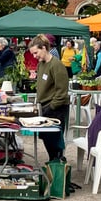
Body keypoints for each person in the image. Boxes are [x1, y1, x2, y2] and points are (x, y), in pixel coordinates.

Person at [29, 33, 69, 161]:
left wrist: (52, 106)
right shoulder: (41, 64)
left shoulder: (56, 65)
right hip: (45, 107)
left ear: (44, 48)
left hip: (55, 109)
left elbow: (62, 91)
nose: (35, 56)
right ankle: (53, 165)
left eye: (36, 53)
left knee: (55, 143)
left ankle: (58, 168)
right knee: (46, 139)